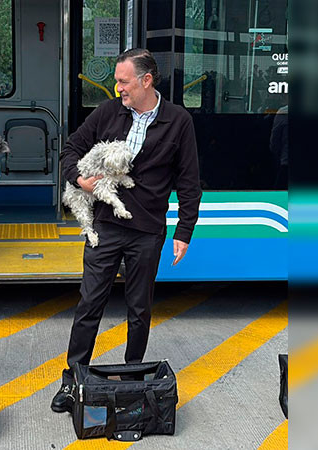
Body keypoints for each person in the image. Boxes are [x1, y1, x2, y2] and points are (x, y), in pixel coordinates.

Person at [51, 49, 202, 413]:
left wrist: (184, 231)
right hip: (105, 225)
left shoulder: (178, 121)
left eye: (123, 82)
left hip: (148, 231)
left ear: (146, 80)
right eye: (117, 82)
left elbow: (189, 181)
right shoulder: (108, 113)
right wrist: (80, 180)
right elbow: (70, 149)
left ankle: (132, 380)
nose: (118, 88)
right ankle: (72, 382)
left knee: (139, 309)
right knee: (89, 305)